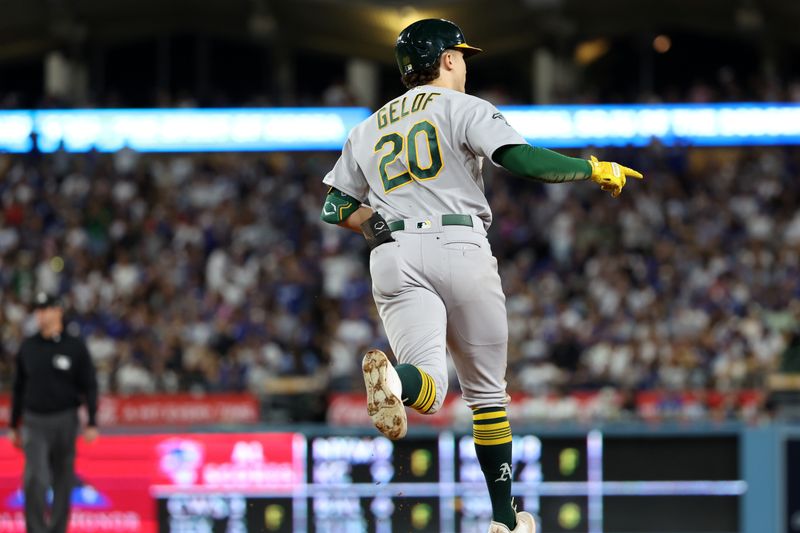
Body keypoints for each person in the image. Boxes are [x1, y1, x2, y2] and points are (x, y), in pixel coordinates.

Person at [319, 18, 643, 533]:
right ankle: (504, 521)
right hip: (457, 242)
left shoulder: (368, 126)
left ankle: (395, 379)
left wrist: (375, 224)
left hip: (391, 249)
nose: (465, 64)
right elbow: (522, 160)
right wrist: (592, 168)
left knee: (427, 386)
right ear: (447, 59)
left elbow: (336, 207)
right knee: (486, 398)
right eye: (462, 55)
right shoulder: (464, 106)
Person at [8, 292, 99, 533]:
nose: (40, 314)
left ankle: (57, 529)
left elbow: (89, 384)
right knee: (36, 477)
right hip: (34, 420)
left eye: (45, 308)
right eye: (37, 309)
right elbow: (18, 388)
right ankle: (36, 529)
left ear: (58, 311)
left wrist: (92, 422)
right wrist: (12, 424)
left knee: (63, 478)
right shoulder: (28, 346)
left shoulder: (74, 346)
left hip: (65, 419)